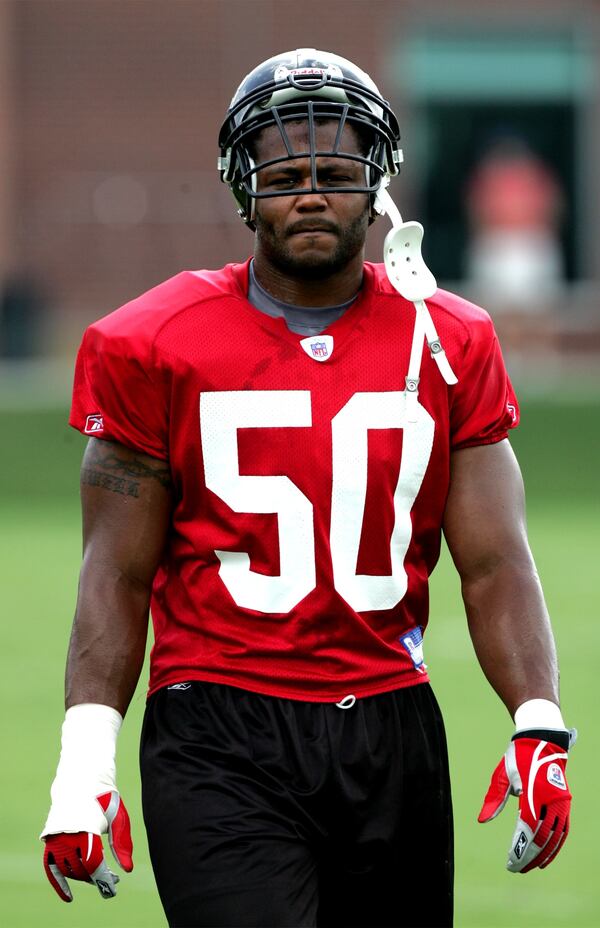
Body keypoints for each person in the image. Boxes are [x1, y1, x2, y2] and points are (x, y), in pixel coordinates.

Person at [41, 49, 574, 928]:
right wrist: (83, 760)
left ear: (380, 185)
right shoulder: (151, 341)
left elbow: (495, 562)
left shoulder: (448, 339)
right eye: (287, 175)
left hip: (391, 727)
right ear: (244, 187)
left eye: (336, 172)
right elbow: (116, 571)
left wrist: (538, 719)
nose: (313, 194)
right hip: (218, 726)